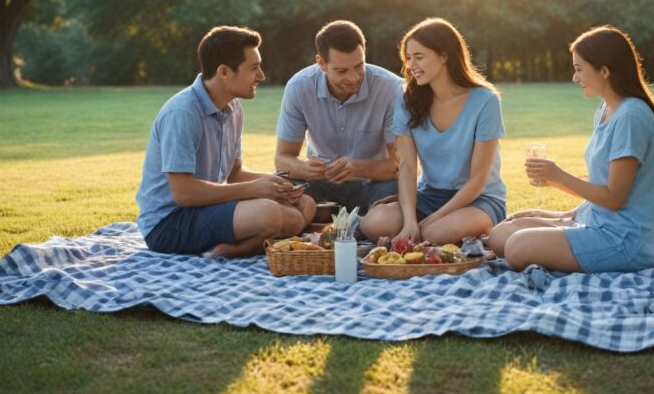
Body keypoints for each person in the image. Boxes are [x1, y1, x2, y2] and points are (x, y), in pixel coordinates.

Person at [488, 25, 654, 273]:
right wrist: (563, 208)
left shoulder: (631, 117)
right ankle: (570, 223)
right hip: (595, 221)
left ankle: (570, 231)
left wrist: (557, 175)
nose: (575, 78)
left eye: (579, 69)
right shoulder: (605, 110)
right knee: (500, 235)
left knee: (517, 247)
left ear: (604, 70)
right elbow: (602, 185)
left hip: (624, 241)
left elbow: (614, 198)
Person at [136, 26, 316, 259]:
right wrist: (254, 190)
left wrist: (275, 184)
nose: (261, 76)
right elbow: (184, 193)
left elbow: (235, 173)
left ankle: (233, 249)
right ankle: (236, 250)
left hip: (204, 210)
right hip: (169, 223)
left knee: (304, 207)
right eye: (254, 68)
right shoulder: (182, 113)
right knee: (269, 213)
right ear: (224, 71)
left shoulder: (233, 108)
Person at [360, 18, 507, 245]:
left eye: (419, 57)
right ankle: (424, 233)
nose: (411, 65)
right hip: (430, 196)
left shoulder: (485, 100)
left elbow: (477, 181)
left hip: (478, 199)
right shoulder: (407, 99)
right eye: (408, 58)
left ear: (444, 56)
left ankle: (454, 231)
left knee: (435, 233)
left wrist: (429, 222)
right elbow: (407, 168)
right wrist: (410, 221)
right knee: (374, 223)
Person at [274, 20, 402, 213]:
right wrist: (306, 168)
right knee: (285, 191)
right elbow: (282, 159)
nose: (353, 77)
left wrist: (356, 168)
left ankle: (352, 225)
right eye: (341, 71)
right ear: (321, 63)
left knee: (398, 195)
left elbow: (401, 165)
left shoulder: (392, 89)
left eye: (359, 66)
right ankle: (319, 222)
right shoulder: (299, 87)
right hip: (318, 183)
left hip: (374, 183)